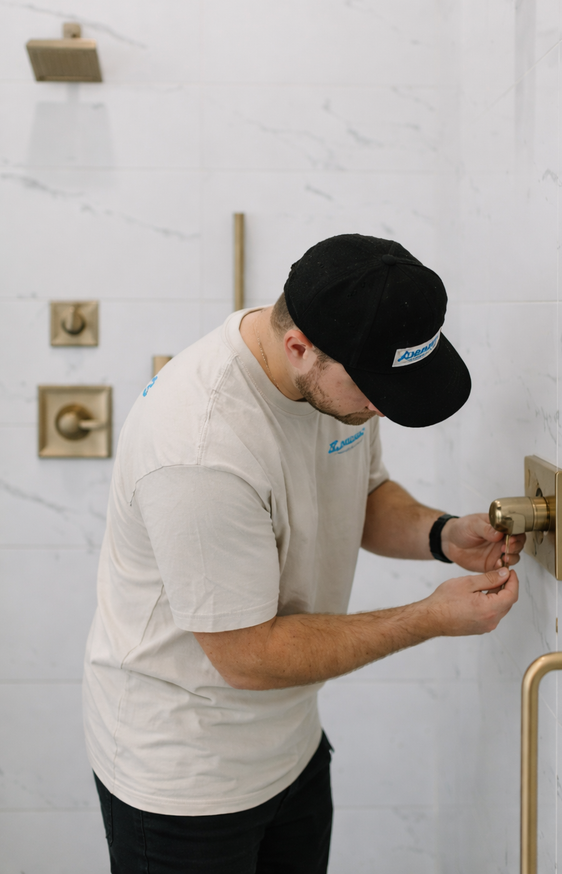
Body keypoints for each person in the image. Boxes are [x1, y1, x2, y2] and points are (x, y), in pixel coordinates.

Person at [83, 234, 522, 874]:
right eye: (373, 390)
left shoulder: (335, 381)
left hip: (290, 747)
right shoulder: (201, 450)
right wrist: (429, 617)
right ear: (299, 347)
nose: (381, 408)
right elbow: (247, 655)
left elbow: (361, 492)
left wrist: (443, 534)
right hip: (185, 778)